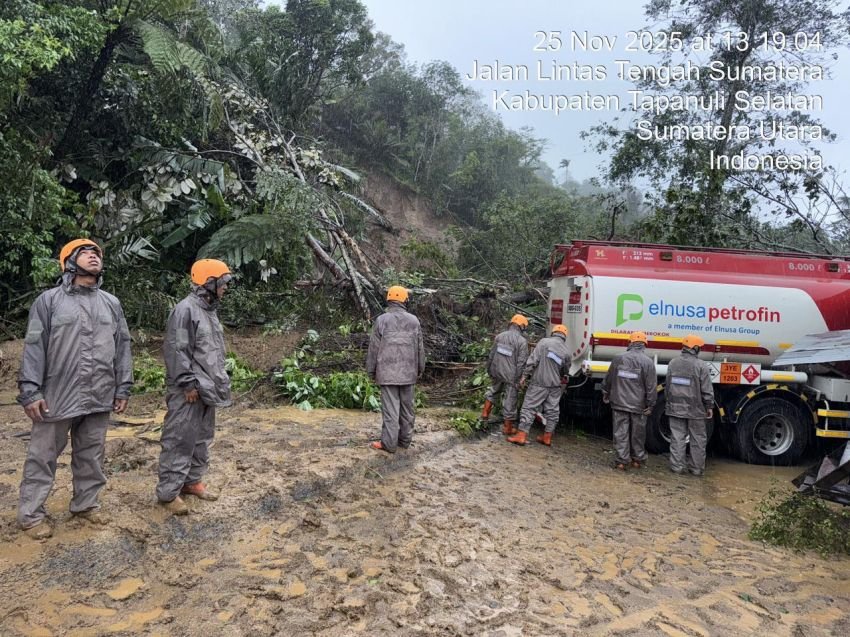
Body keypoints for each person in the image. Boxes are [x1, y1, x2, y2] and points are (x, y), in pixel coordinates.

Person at [17, 239, 133, 539]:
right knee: (43, 455)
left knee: (91, 454)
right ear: (68, 262)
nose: (94, 256)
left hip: (99, 394)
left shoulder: (111, 303)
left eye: (97, 253)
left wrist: (123, 387)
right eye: (86, 252)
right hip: (57, 394)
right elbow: (33, 345)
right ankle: (31, 515)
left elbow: (122, 348)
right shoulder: (49, 301)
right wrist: (30, 389)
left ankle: (86, 504)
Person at [156, 259, 233, 514]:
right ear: (208, 282)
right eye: (222, 283)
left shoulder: (209, 311)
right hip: (188, 389)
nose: (225, 288)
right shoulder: (185, 310)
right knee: (180, 438)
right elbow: (177, 349)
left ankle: (192, 481)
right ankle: (169, 493)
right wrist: (187, 383)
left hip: (207, 388)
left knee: (201, 437)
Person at [366, 286, 426, 453]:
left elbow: (373, 349)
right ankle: (405, 441)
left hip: (387, 374)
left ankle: (389, 444)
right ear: (405, 300)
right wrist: (421, 368)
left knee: (391, 410)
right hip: (409, 373)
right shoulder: (414, 321)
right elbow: (420, 347)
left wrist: (371, 370)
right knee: (408, 408)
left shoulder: (382, 320)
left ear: (389, 299)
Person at [507, 324, 571, 447]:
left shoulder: (544, 342)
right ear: (564, 336)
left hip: (539, 383)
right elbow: (565, 371)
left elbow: (533, 360)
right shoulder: (566, 352)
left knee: (529, 407)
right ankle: (547, 437)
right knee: (552, 411)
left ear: (553, 333)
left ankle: (521, 436)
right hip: (555, 386)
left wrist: (524, 376)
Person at [602, 331, 657, 470]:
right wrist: (651, 404)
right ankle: (637, 460)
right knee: (638, 433)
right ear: (644, 345)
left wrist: (606, 393)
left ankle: (621, 461)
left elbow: (609, 379)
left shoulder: (618, 358)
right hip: (639, 405)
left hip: (619, 402)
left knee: (620, 432)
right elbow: (651, 387)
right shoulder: (648, 362)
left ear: (630, 343)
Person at [666, 334, 714, 476]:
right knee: (698, 439)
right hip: (696, 409)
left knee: (677, 438)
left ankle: (677, 468)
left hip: (675, 407)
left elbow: (668, 385)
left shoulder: (673, 363)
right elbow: (706, 389)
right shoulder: (701, 365)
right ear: (696, 348)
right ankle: (696, 469)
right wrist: (709, 405)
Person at [480, 314, 529, 435]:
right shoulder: (522, 342)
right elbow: (521, 363)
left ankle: (485, 413)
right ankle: (507, 428)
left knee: (493, 391)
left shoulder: (499, 336)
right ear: (522, 326)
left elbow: (491, 355)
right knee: (510, 399)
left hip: (496, 371)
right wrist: (518, 380)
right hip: (511, 375)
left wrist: (489, 370)